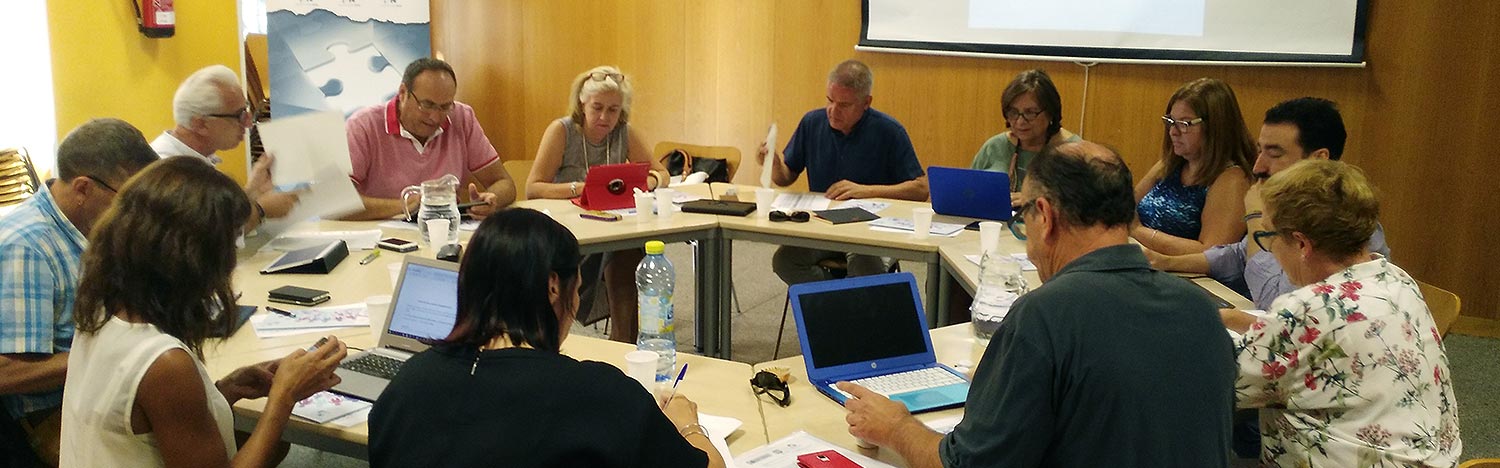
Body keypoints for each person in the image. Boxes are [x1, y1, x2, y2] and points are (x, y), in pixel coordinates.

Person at [841, 141, 1234, 468]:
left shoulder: (1044, 316)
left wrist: (895, 427)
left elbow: (966, 465)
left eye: (1023, 214)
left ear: (1044, 215)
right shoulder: (1199, 309)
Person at [369, 208, 725, 468]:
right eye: (577, 291)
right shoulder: (598, 393)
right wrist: (688, 426)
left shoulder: (407, 385)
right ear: (554, 287)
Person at [59, 156, 348, 467]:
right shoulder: (165, 364)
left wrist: (226, 389)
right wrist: (283, 397)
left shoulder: (102, 311)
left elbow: (148, 422)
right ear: (195, 257)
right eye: (229, 243)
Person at [1224, 160, 1461, 466]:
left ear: (1301, 244)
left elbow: (1219, 380)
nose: (1269, 249)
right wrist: (1235, 319)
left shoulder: (1307, 309)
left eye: (1268, 236)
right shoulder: (1396, 279)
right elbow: (1324, 338)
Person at [0, 119, 160, 466]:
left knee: (210, 412)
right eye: (130, 197)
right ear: (84, 188)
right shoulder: (28, 246)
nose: (136, 210)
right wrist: (116, 352)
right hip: (52, 414)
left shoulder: (87, 224)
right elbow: (8, 372)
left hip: (97, 390)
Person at [1147, 97, 1390, 311]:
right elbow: (1239, 255)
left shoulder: (1345, 224)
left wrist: (1255, 221)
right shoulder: (1294, 208)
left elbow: (1277, 302)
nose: (1258, 167)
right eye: (1260, 151)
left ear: (1319, 159)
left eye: (1274, 154)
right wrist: (1165, 262)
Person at [524, 65, 667, 341]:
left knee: (628, 250)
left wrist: (646, 182)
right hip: (570, 231)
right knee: (622, 251)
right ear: (582, 102)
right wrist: (582, 188)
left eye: (613, 110)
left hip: (612, 227)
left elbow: (662, 174)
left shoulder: (625, 132)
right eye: (597, 107)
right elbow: (533, 188)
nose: (605, 117)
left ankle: (623, 340)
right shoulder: (562, 130)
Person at [756, 59, 927, 285]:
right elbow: (786, 177)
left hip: (868, 231)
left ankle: (845, 305)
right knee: (785, 261)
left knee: (865, 265)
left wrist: (865, 191)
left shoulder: (888, 131)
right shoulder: (812, 122)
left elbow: (921, 188)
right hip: (821, 226)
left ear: (866, 102)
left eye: (844, 105)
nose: (833, 111)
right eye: (829, 100)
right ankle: (836, 304)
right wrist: (775, 164)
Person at [344, 57, 516, 220]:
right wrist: (407, 205)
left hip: (447, 233)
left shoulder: (462, 117)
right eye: (427, 105)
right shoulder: (363, 125)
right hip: (382, 238)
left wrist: (491, 200)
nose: (435, 117)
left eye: (445, 107)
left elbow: (504, 183)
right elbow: (336, 205)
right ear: (403, 93)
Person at [152, 64, 298, 230]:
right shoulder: (167, 169)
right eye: (239, 115)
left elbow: (214, 214)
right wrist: (260, 210)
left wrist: (251, 192)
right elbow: (204, 236)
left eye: (247, 111)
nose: (249, 123)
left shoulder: (194, 159)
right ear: (201, 124)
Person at [1134, 77, 1253, 255]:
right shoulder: (1170, 164)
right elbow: (1125, 208)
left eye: (1184, 124)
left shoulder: (1233, 180)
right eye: (1170, 122)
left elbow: (1210, 254)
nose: (1173, 132)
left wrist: (1137, 231)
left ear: (1215, 127)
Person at [970, 69, 1080, 203]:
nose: (1020, 122)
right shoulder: (995, 146)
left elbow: (1083, 209)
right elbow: (970, 193)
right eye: (1013, 112)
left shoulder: (1073, 152)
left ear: (1051, 112)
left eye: (1030, 113)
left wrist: (1033, 201)